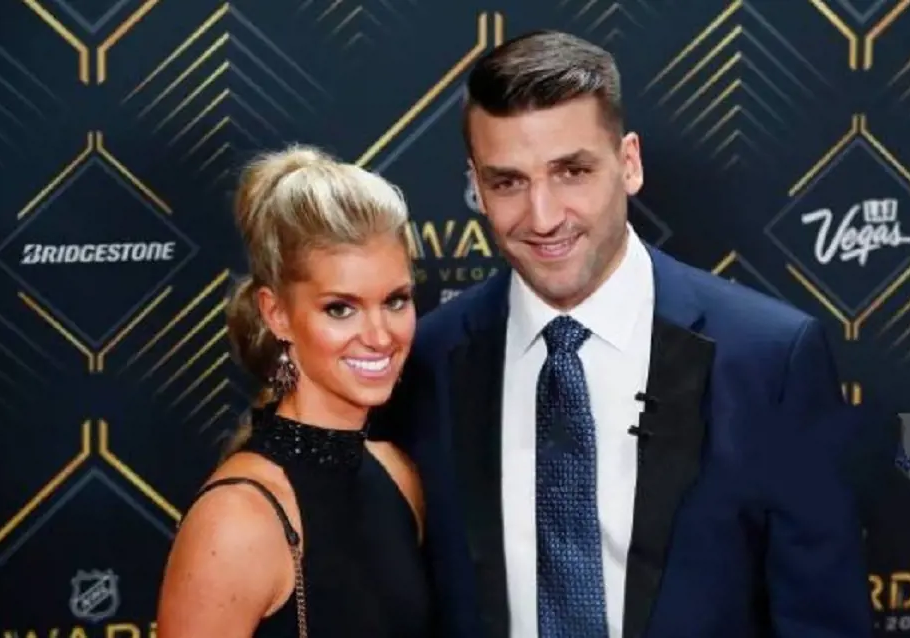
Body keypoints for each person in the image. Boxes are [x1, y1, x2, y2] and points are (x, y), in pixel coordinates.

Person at [371, 31, 874, 638]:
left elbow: (822, 620)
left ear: (628, 163)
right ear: (475, 185)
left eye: (572, 171)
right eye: (507, 182)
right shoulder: (424, 359)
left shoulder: (769, 359)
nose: (544, 216)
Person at [156, 145, 433, 637]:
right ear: (276, 313)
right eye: (340, 309)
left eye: (395, 300)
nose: (379, 335)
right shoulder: (236, 520)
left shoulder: (398, 474)